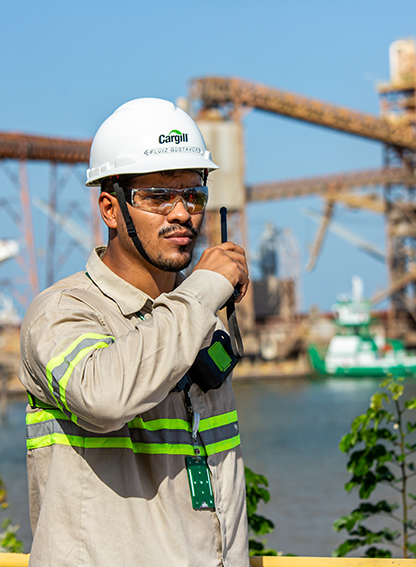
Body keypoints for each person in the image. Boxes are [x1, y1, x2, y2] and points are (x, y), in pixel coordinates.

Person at [19, 97, 251, 566]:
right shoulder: (61, 313)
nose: (182, 212)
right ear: (110, 208)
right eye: (158, 196)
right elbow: (104, 397)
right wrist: (205, 289)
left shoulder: (197, 318)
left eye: (193, 195)